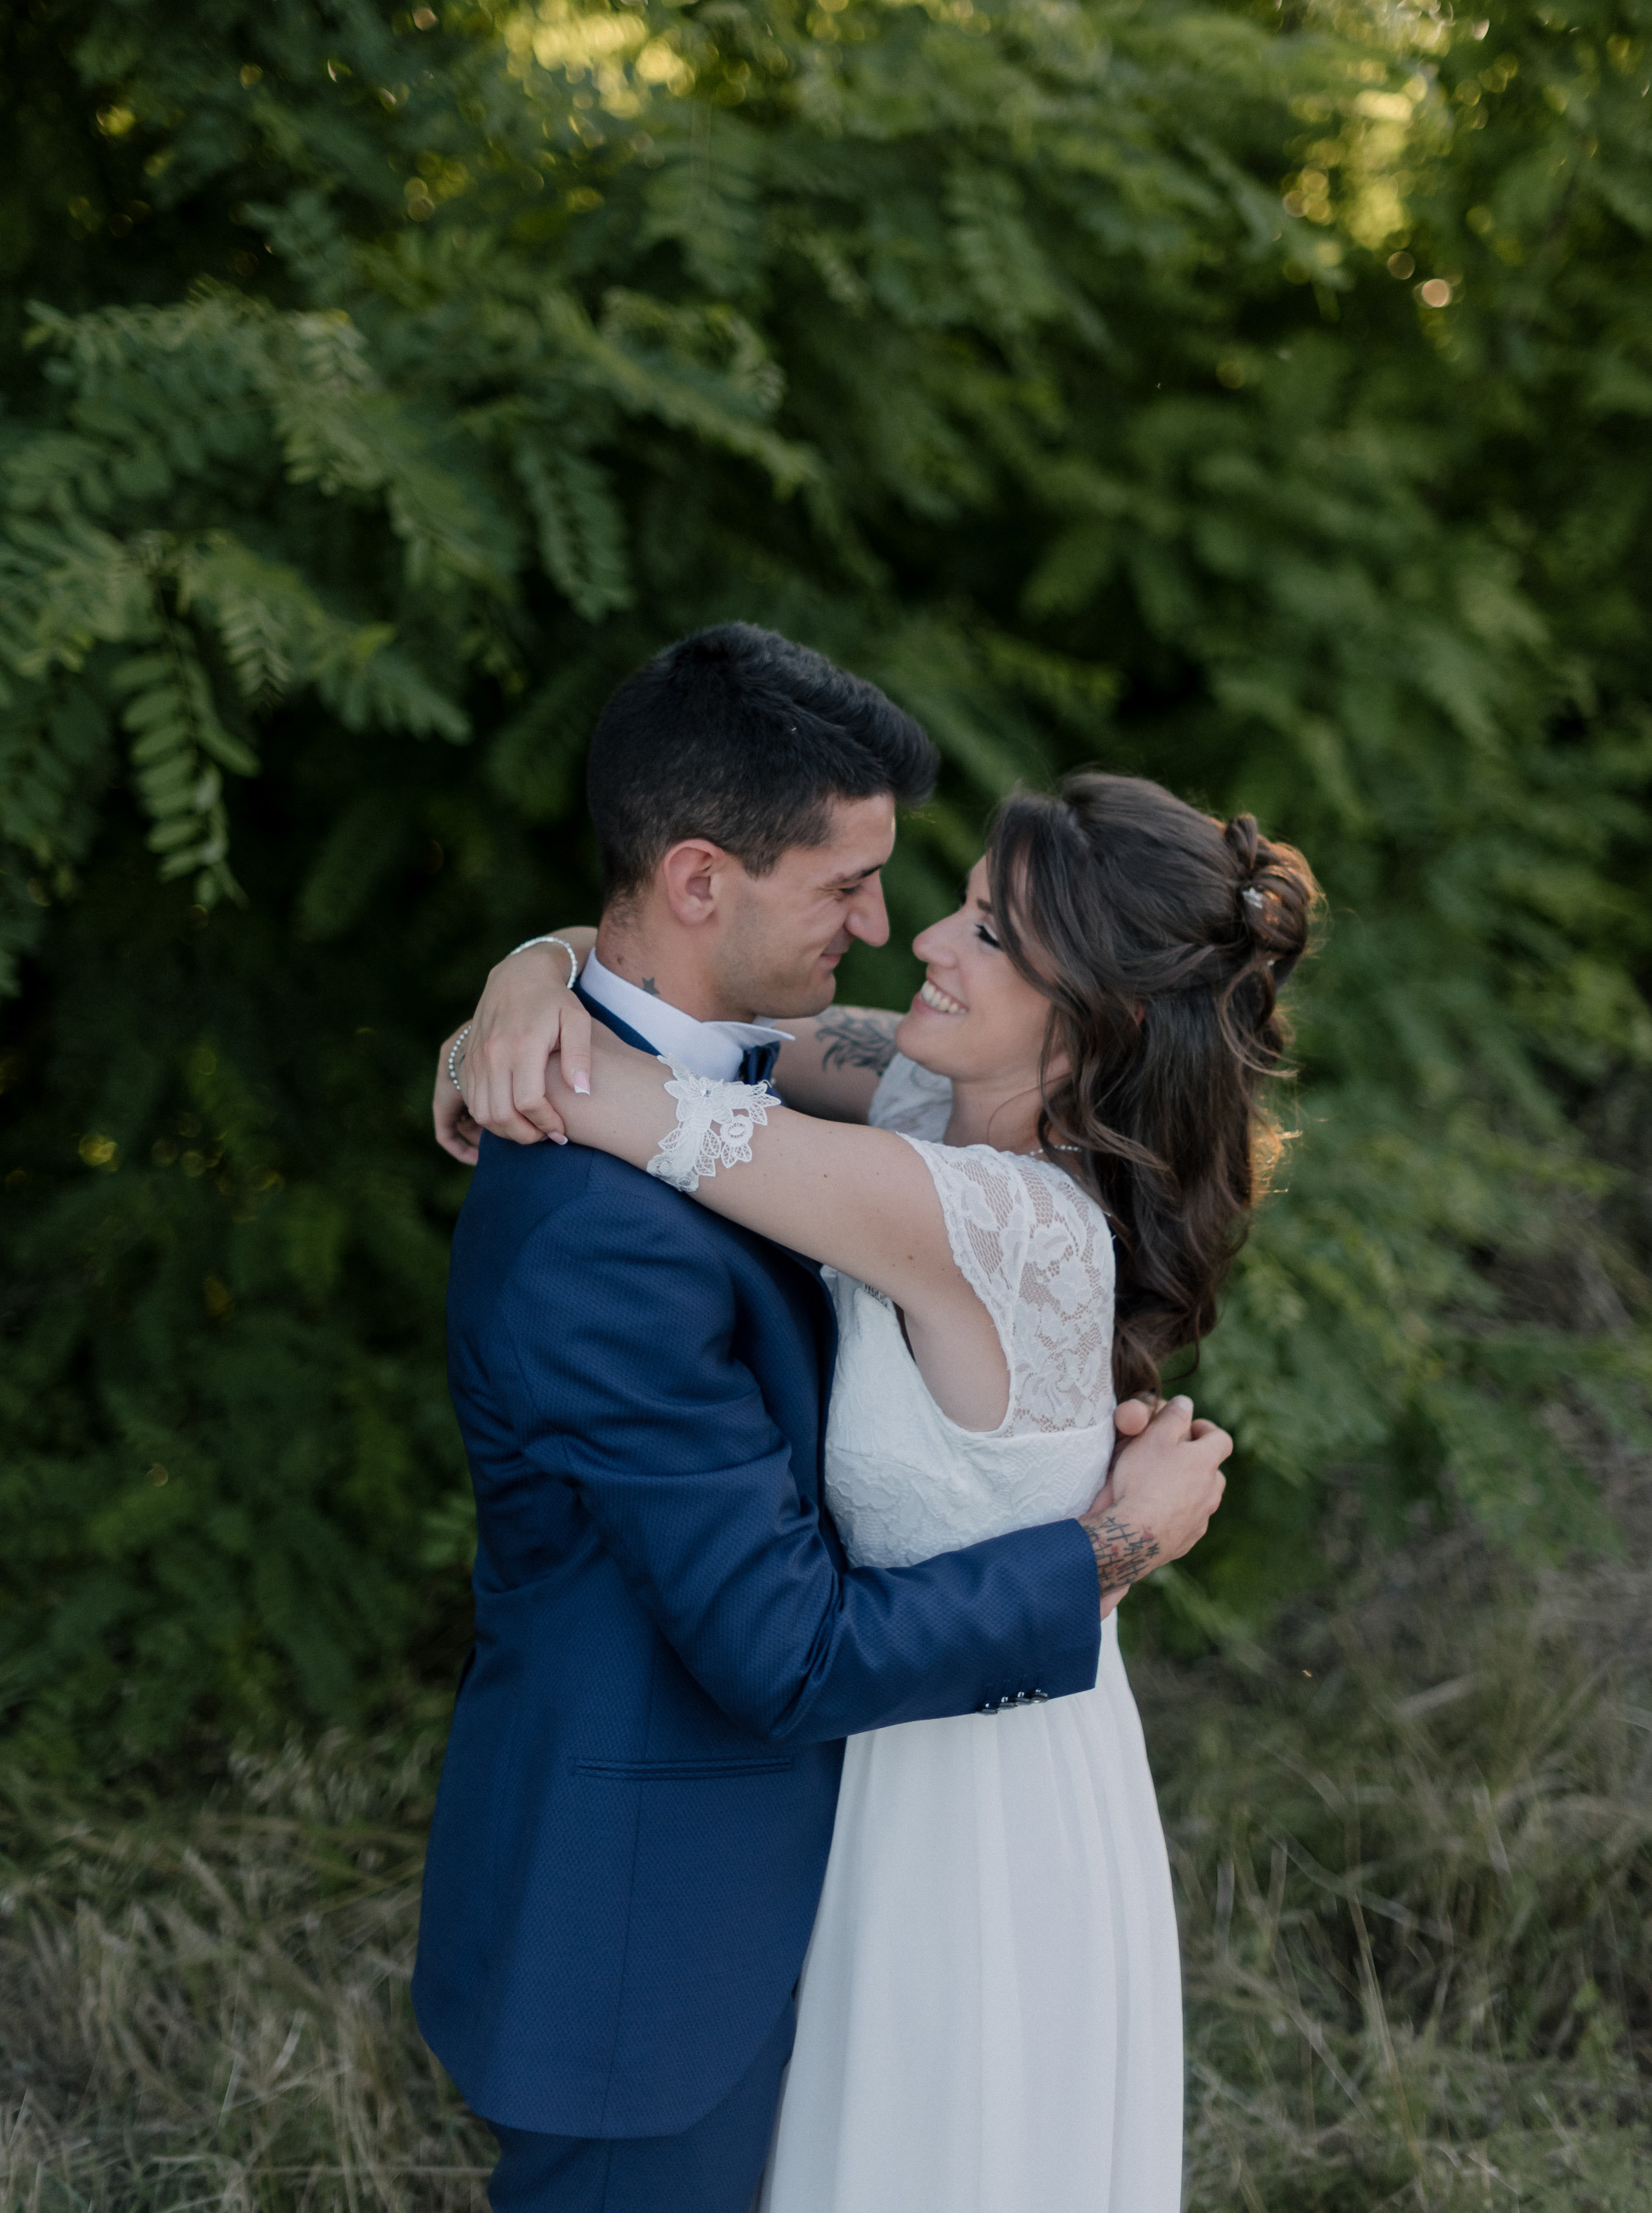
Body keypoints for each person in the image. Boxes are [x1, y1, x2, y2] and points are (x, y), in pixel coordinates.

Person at [415, 623, 1248, 2213]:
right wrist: (527, 979)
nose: (898, 931)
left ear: (1095, 1017)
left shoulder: (965, 1189)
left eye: (978, 925)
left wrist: (518, 1014)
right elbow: (785, 1644)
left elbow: (651, 1079)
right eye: (855, 886)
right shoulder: (844, 1119)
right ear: (701, 879)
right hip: (692, 1878)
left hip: (945, 1814)